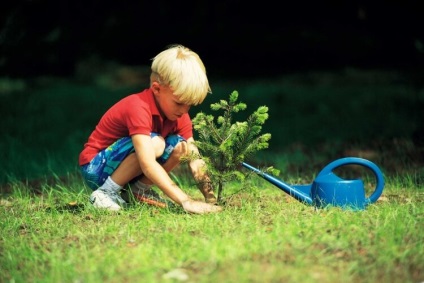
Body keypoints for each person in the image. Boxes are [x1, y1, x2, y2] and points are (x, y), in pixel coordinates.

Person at [78, 44, 222, 214]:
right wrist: (186, 201)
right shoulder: (138, 107)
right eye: (179, 102)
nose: (184, 110)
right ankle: (104, 193)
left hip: (122, 168)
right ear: (156, 89)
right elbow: (146, 162)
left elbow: (194, 158)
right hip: (96, 167)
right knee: (156, 143)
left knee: (182, 146)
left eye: (189, 105)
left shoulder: (179, 115)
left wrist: (210, 198)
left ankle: (138, 191)